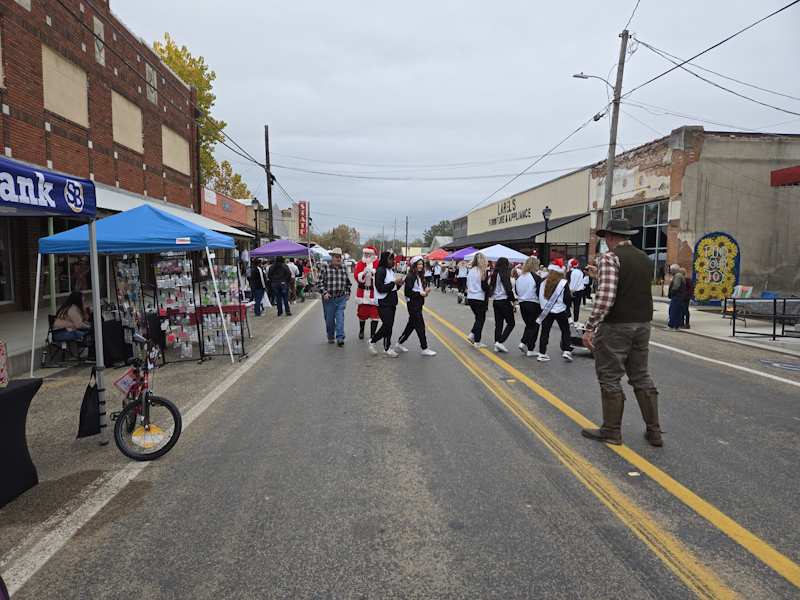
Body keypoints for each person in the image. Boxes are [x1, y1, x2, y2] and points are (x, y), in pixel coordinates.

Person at [580, 218, 662, 447]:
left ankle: (611, 430)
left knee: (609, 376)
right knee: (640, 375)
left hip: (617, 325)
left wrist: (589, 327)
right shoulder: (644, 258)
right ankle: (654, 431)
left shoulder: (609, 258)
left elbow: (606, 299)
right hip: (642, 324)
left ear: (610, 237)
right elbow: (629, 285)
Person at [396, 256, 437, 356]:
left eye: (422, 264)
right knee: (420, 326)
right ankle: (424, 348)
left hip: (418, 303)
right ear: (414, 265)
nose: (421, 266)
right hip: (413, 305)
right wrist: (420, 294)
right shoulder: (410, 276)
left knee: (411, 325)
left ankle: (399, 342)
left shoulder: (419, 276)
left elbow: (420, 290)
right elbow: (408, 293)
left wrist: (425, 291)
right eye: (418, 264)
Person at [536, 259, 573, 362]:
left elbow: (539, 295)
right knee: (565, 330)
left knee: (545, 332)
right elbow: (567, 298)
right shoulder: (563, 283)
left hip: (547, 311)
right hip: (560, 310)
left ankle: (542, 353)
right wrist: (568, 309)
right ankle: (566, 350)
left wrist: (544, 307)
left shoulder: (543, 282)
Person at [369, 250, 404, 357]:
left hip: (391, 302)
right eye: (390, 259)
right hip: (383, 303)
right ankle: (373, 341)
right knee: (387, 325)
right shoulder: (381, 271)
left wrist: (399, 284)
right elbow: (380, 288)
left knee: (389, 326)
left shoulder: (390, 271)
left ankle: (387, 348)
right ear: (385, 259)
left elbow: (393, 288)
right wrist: (394, 283)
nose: (393, 261)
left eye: (393, 259)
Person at [318, 248, 352, 346]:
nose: (338, 259)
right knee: (329, 321)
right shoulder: (325, 268)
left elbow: (348, 283)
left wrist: (347, 293)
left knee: (340, 318)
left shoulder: (344, 268)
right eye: (336, 257)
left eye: (339, 257)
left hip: (341, 298)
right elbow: (319, 283)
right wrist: (324, 293)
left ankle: (340, 338)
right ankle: (330, 336)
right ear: (332, 257)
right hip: (329, 299)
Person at [515, 256, 542, 357]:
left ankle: (528, 346)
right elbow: (540, 292)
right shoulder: (536, 277)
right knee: (535, 325)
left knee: (529, 325)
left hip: (522, 303)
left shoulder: (520, 277)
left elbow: (516, 291)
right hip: (533, 303)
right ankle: (526, 345)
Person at [354, 246, 381, 341]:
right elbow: (356, 276)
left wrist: (374, 274)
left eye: (368, 254)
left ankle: (373, 334)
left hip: (374, 293)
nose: (366, 255)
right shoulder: (360, 263)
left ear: (373, 254)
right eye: (365, 254)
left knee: (375, 315)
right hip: (362, 293)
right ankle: (361, 330)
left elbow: (381, 276)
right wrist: (363, 273)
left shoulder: (378, 263)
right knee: (362, 314)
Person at [490, 257, 516, 353]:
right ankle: (500, 342)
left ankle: (496, 344)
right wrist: (513, 300)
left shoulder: (494, 273)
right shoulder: (504, 273)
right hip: (504, 300)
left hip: (495, 300)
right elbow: (508, 288)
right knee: (511, 323)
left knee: (498, 324)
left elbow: (491, 286)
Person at [466, 252, 491, 348]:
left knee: (478, 318)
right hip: (479, 297)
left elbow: (468, 284)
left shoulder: (471, 271)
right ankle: (477, 340)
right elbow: (484, 287)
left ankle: (472, 334)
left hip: (470, 297)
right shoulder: (482, 271)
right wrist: (489, 287)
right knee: (481, 319)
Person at [666, 264, 686, 331]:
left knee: (673, 311)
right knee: (677, 311)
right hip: (679, 296)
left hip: (677, 296)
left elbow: (676, 286)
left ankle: (672, 325)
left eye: (671, 270)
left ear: (674, 270)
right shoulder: (679, 275)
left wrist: (672, 293)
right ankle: (676, 326)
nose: (670, 271)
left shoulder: (677, 276)